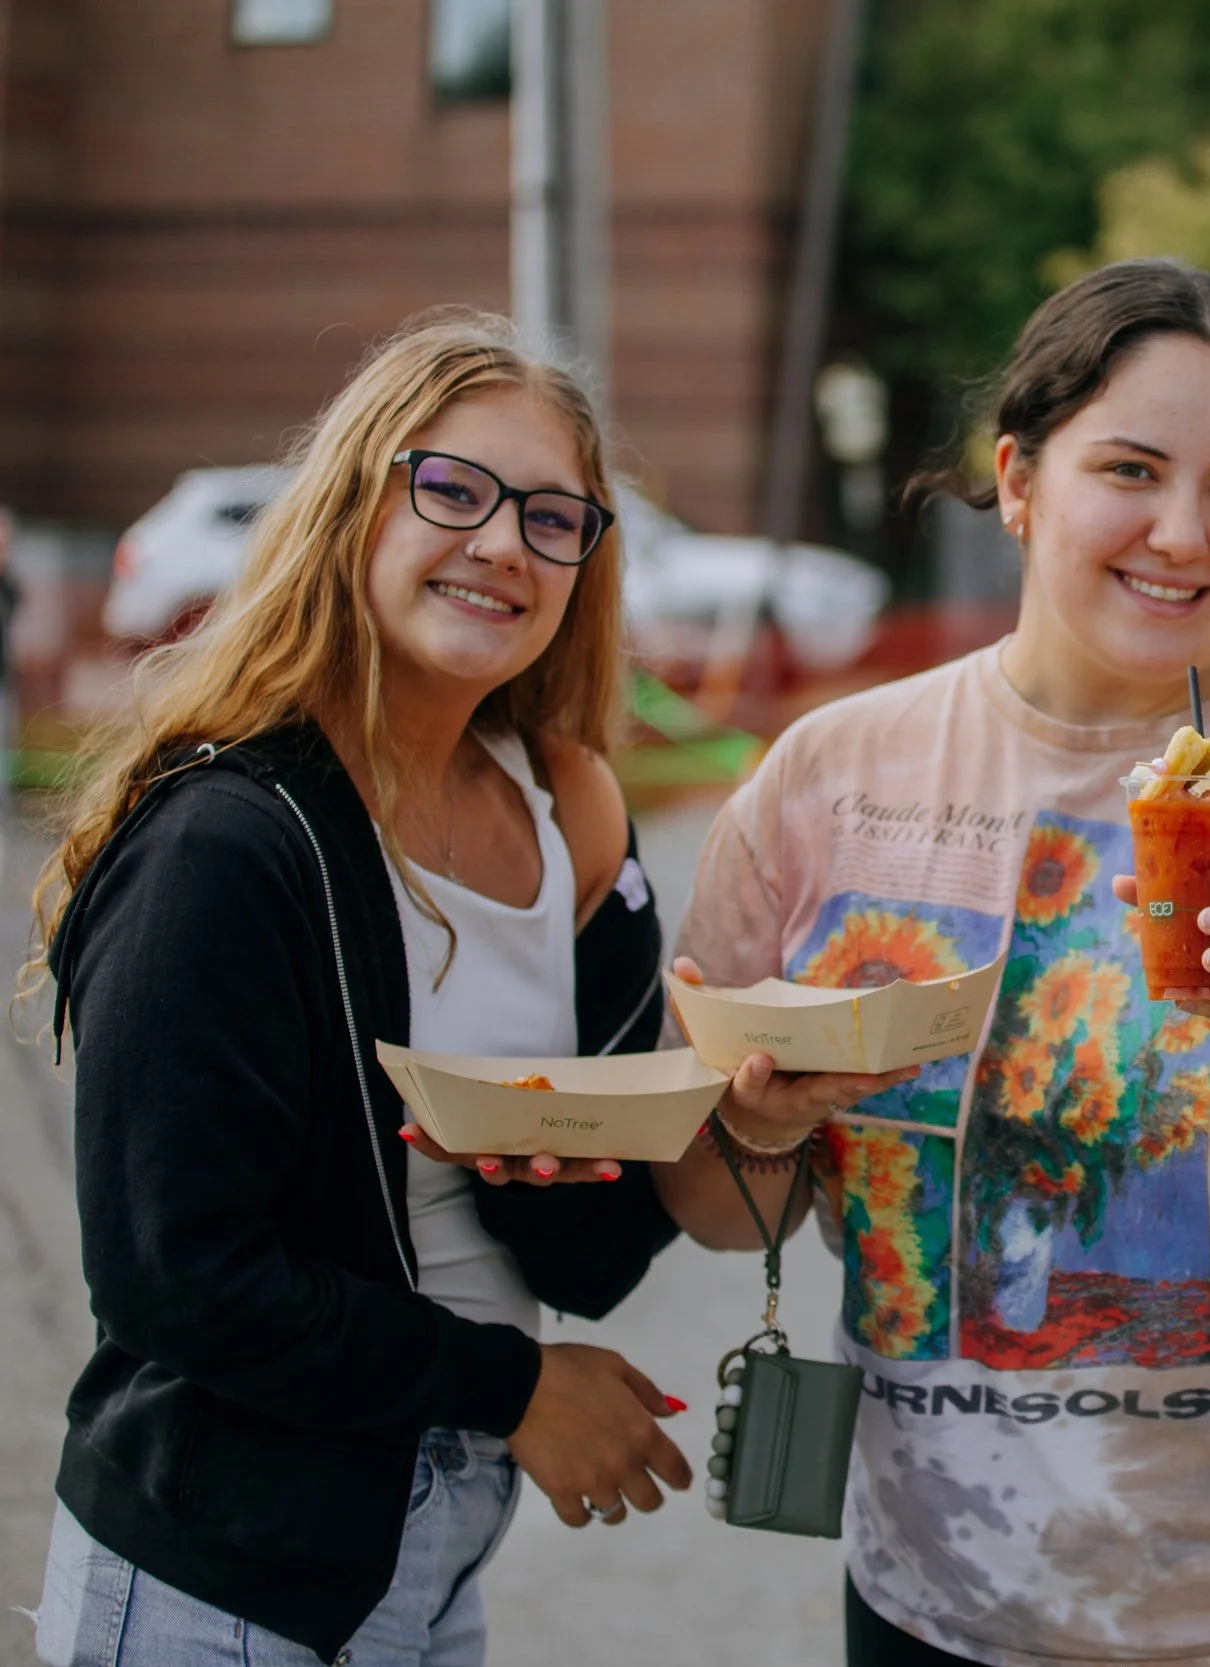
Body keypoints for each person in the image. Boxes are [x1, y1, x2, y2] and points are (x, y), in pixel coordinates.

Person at [657, 259, 1210, 1665]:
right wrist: (759, 1126)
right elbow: (712, 1205)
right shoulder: (829, 773)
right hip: (947, 1606)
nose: (1184, 534)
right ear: (1017, 480)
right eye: (1131, 469)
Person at [28, 312, 692, 1667]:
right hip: (218, 1580)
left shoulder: (572, 815)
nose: (505, 542)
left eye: (554, 516)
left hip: (436, 1557)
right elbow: (176, 1275)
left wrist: (644, 1140)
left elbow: (598, 1257)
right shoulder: (226, 839)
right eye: (451, 488)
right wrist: (510, 1387)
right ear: (351, 503)